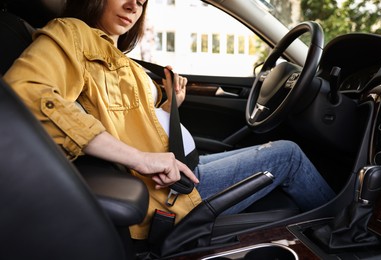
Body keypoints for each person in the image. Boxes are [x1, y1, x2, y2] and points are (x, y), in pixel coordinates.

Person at [3, 0, 335, 240]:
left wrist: (170, 106)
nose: (135, 5)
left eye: (143, 1)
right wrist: (141, 159)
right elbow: (27, 94)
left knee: (276, 149)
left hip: (182, 165)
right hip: (171, 189)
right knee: (288, 154)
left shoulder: (125, 61)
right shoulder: (72, 33)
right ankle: (348, 232)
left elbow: (134, 123)